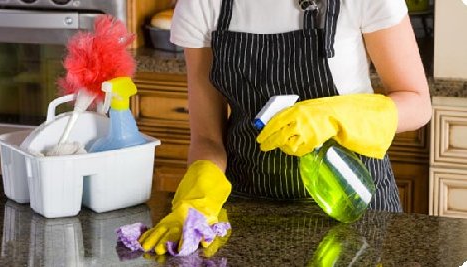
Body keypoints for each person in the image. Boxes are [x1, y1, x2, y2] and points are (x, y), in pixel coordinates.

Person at [139, 0, 432, 255]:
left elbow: (417, 104)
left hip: (354, 204)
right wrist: (197, 195)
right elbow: (206, 137)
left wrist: (334, 115)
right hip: (249, 211)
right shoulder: (203, 4)